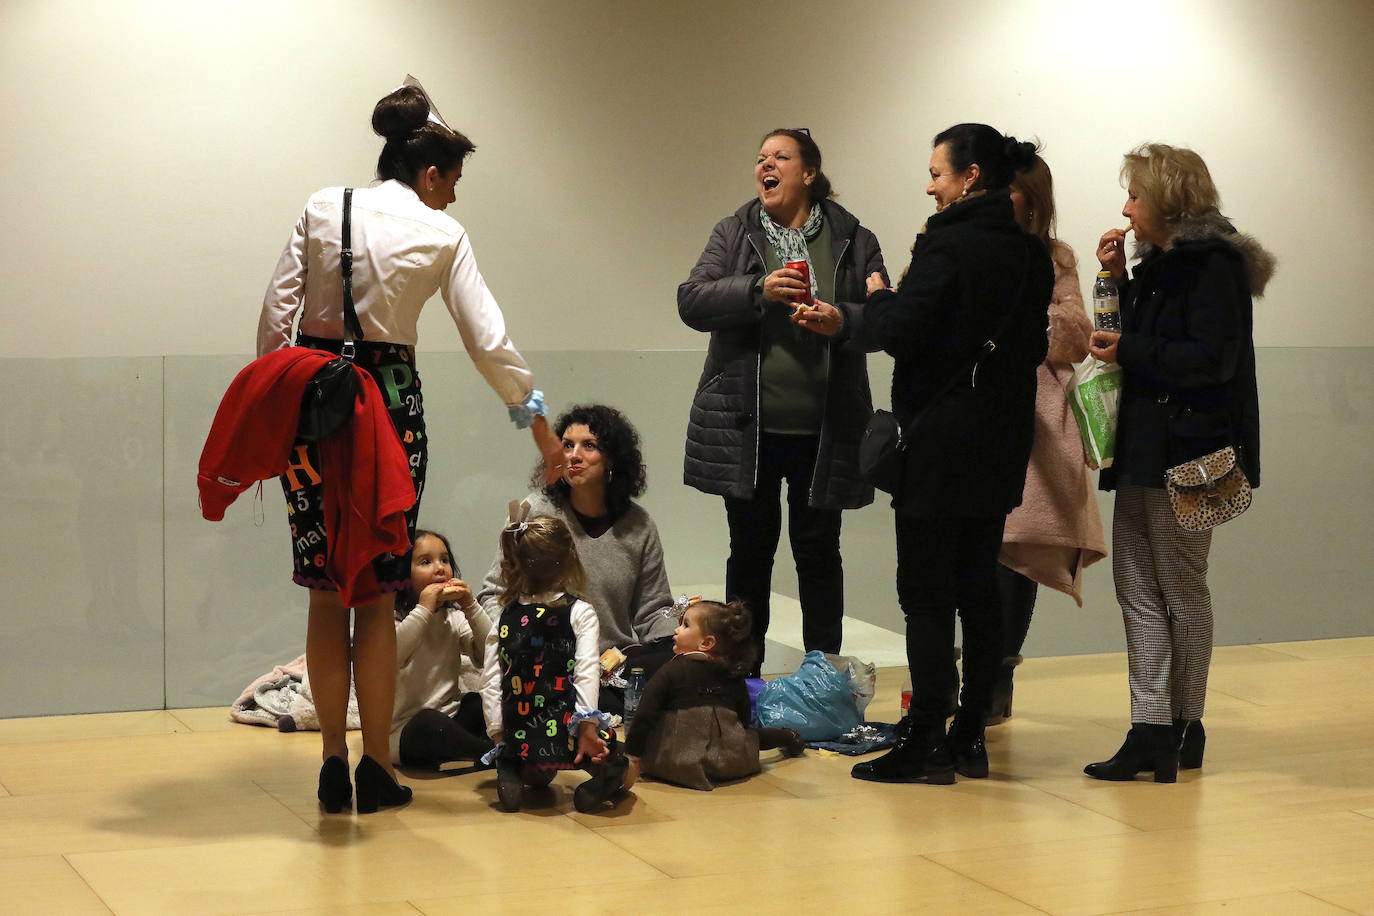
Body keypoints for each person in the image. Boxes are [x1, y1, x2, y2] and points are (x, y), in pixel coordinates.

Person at [257, 79, 563, 814]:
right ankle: (377, 764)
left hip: (310, 400)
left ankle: (331, 759)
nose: (453, 200)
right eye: (452, 183)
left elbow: (275, 320)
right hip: (390, 407)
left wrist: (281, 418)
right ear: (430, 174)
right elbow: (488, 342)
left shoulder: (322, 205)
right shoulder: (441, 233)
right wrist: (541, 428)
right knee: (379, 592)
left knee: (325, 589)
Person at [802, 124, 1052, 784]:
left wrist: (878, 296)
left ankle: (926, 741)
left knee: (926, 594)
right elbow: (1030, 350)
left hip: (940, 444)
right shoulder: (1032, 256)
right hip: (1000, 443)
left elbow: (899, 332)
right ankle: (971, 735)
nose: (928, 184)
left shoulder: (948, 247)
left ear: (969, 177)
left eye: (937, 173)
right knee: (980, 589)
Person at [1083, 143, 1272, 782]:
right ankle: (1155, 728)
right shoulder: (1163, 265)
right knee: (1137, 588)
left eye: (1135, 195)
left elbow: (1208, 360)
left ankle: (1177, 726)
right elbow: (1150, 339)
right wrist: (1115, 280)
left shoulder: (1211, 265)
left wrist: (1130, 345)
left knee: (1179, 588)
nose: (1126, 209)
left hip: (1190, 455)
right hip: (1145, 448)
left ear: (1166, 199)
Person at [678, 128, 887, 676]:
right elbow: (692, 300)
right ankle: (740, 680)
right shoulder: (736, 231)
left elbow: (884, 319)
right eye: (760, 158)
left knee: (819, 557)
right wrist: (755, 290)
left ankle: (823, 682)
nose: (765, 166)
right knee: (749, 557)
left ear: (809, 174)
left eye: (780, 157)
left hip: (826, 430)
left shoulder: (853, 237)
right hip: (749, 430)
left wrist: (840, 319)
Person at [983, 152, 1109, 722]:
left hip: (1036, 423)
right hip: (975, 414)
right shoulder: (964, 243)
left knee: (1021, 549)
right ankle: (974, 672)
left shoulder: (1055, 259)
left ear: (1030, 198)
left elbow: (1076, 334)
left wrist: (1025, 310)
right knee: (977, 551)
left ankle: (998, 672)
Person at [475, 404, 677, 712]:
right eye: (566, 445)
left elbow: (653, 610)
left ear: (612, 458)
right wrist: (523, 636)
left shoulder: (639, 524)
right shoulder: (533, 512)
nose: (573, 455)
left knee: (676, 661)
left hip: (612, 665)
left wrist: (684, 635)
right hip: (545, 660)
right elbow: (493, 593)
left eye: (589, 446)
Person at [479, 511, 635, 813]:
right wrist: (588, 726)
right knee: (611, 751)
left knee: (527, 763)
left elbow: (490, 679)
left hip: (520, 735)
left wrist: (499, 734)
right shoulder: (580, 612)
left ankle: (510, 764)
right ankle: (606, 776)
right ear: (569, 560)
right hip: (569, 734)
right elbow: (587, 672)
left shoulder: (503, 616)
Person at [626, 599, 805, 790]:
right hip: (731, 761)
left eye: (685, 625)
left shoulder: (671, 670)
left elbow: (645, 713)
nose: (677, 630)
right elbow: (743, 718)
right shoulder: (731, 674)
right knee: (750, 736)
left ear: (706, 642)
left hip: (676, 761)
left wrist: (633, 755)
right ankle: (788, 737)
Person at [389, 530, 493, 769]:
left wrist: (471, 606)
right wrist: (424, 608)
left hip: (452, 719)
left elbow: (489, 654)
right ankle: (491, 753)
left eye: (444, 560)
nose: (439, 568)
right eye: (426, 562)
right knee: (428, 724)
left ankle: (486, 749)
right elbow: (392, 656)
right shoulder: (392, 619)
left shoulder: (452, 617)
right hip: (403, 732)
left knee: (479, 703)